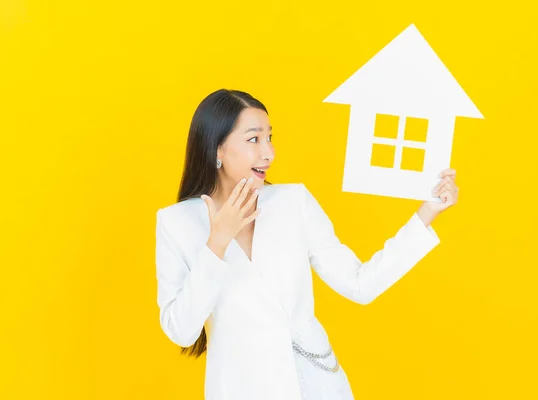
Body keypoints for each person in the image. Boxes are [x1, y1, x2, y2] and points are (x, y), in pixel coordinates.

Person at [155, 89, 459, 400]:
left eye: (270, 137)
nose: (269, 153)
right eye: (254, 139)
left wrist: (427, 214)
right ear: (217, 149)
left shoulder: (292, 201)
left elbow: (360, 284)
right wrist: (217, 242)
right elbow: (181, 329)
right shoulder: (177, 223)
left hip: (316, 385)